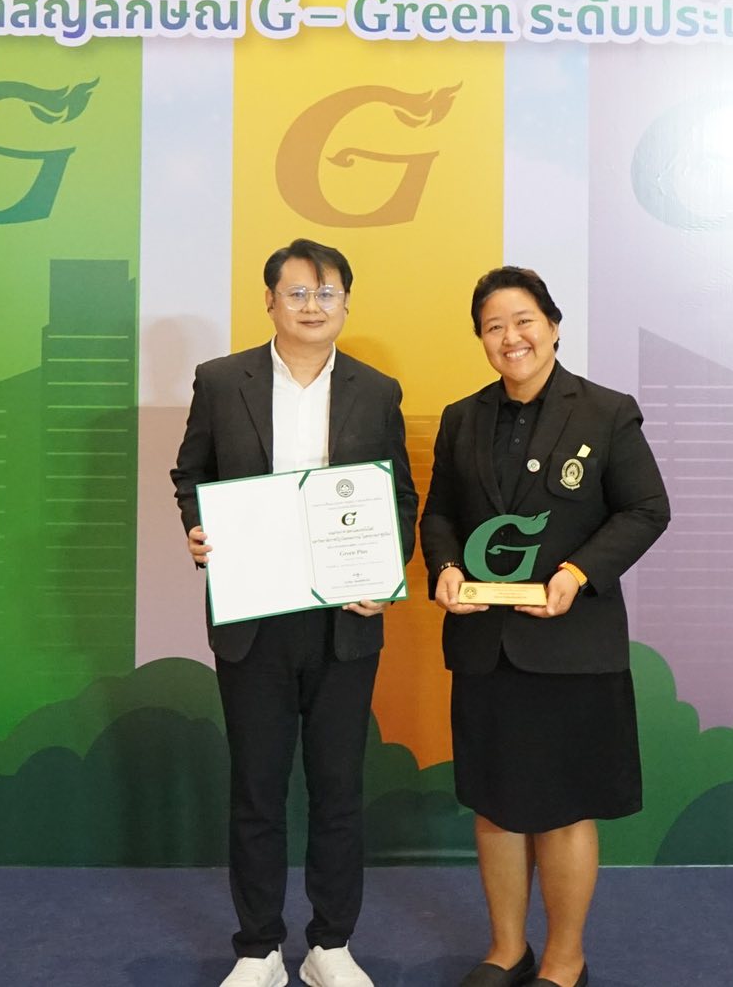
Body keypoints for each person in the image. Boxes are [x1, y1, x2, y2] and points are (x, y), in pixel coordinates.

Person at [171, 238, 419, 987]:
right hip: (253, 619)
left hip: (346, 619)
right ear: (270, 301)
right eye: (298, 292)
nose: (313, 306)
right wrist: (197, 528)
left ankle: (329, 946)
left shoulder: (377, 390)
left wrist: (385, 570)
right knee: (257, 789)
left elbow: (399, 496)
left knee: (339, 789)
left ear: (346, 302)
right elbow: (192, 473)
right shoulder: (222, 381)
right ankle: (258, 950)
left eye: (327, 292)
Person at [421, 266, 670, 987]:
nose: (511, 338)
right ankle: (507, 950)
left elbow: (646, 509)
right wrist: (445, 568)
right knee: (495, 806)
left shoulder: (606, 412)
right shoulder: (462, 418)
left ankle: (564, 958)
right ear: (481, 339)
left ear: (554, 326)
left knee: (563, 810)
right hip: (484, 644)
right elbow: (440, 514)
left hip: (571, 645)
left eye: (524, 320)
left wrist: (576, 574)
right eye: (493, 326)